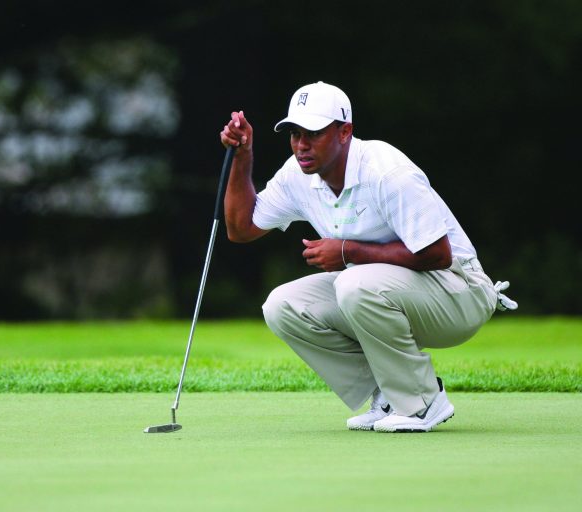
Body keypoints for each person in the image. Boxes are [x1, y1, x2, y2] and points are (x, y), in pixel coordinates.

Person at [219, 81, 517, 433]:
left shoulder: (386, 171)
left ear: (345, 132)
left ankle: (421, 402)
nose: (301, 145)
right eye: (295, 133)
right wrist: (243, 156)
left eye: (313, 133)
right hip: (379, 290)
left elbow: (438, 254)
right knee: (282, 306)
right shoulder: (297, 175)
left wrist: (347, 251)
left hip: (459, 292)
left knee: (353, 282)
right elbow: (241, 228)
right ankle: (390, 395)